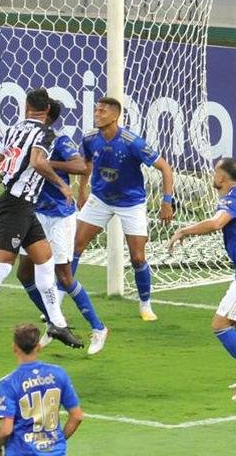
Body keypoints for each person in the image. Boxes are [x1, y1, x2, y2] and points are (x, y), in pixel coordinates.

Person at [0, 88, 84, 359]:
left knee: (45, 261)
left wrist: (13, 165)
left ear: (26, 106)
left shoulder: (14, 129)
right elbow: (37, 161)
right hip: (16, 206)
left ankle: (57, 324)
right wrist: (61, 186)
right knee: (1, 268)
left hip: (22, 206)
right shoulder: (46, 134)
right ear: (48, 113)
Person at [168, 157, 236, 402]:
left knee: (220, 325)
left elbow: (217, 224)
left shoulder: (232, 200)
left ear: (222, 177)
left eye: (215, 170)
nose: (212, 174)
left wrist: (184, 230)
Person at [14, 99, 108, 355]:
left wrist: (46, 164)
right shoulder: (27, 137)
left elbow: (80, 166)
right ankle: (55, 322)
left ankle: (98, 328)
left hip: (59, 216)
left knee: (64, 277)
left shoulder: (58, 138)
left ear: (45, 115)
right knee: (24, 273)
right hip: (35, 214)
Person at [71, 96, 175, 322]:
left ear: (116, 116)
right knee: (74, 247)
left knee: (138, 258)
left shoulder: (132, 142)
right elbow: (87, 165)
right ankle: (56, 302)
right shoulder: (89, 138)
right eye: (96, 111)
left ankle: (145, 304)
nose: (97, 115)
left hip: (131, 203)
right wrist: (82, 191)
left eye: (102, 112)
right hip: (100, 199)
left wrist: (167, 201)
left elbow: (166, 168)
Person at [0, 323, 85, 456]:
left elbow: (6, 429)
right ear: (39, 347)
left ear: (14, 348)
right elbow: (77, 416)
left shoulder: (8, 383)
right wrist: (58, 441)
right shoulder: (59, 374)